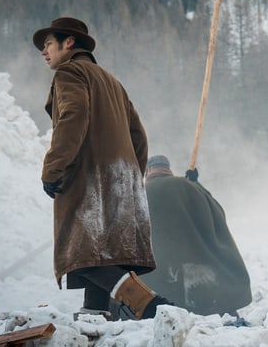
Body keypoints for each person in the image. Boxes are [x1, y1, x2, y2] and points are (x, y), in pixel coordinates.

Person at [33, 17, 170, 320]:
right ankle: (94, 316)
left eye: (47, 44)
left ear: (68, 43)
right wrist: (131, 176)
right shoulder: (112, 82)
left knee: (82, 252)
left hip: (89, 178)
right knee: (103, 250)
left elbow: (73, 116)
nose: (43, 52)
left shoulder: (69, 72)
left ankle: (147, 304)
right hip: (123, 180)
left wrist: (53, 169)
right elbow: (139, 136)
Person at [142, 155, 252, 318]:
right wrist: (195, 184)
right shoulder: (187, 185)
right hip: (192, 260)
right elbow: (216, 211)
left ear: (149, 170)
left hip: (157, 268)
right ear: (168, 169)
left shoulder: (139, 192)